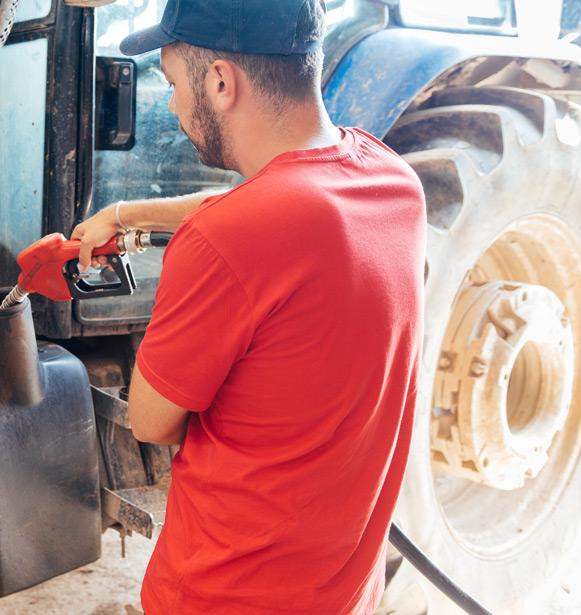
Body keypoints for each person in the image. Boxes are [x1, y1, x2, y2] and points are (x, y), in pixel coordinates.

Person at [69, 0, 426, 612]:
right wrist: (127, 214)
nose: (176, 106)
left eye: (174, 83)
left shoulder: (224, 244)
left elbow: (154, 422)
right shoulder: (391, 183)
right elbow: (276, 201)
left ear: (220, 81)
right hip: (341, 595)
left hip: (224, 595)